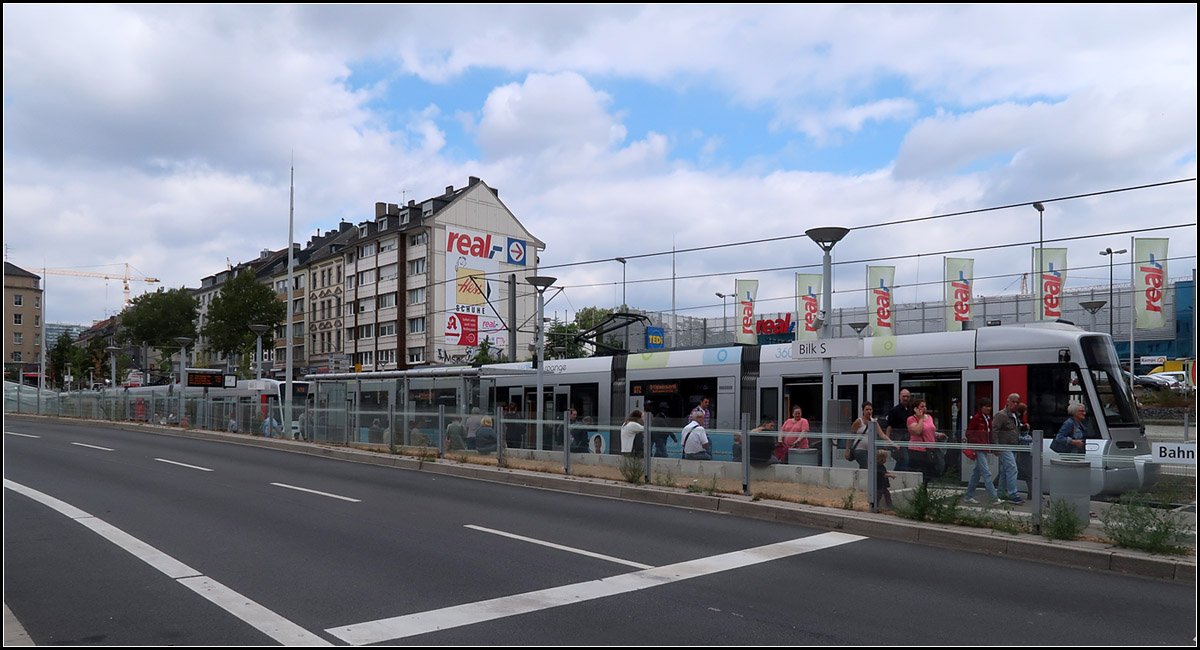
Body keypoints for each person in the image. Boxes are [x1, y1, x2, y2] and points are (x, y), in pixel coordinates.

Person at [963, 398, 999, 504]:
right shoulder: (977, 418)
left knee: (977, 473)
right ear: (981, 407)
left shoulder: (987, 419)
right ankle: (994, 497)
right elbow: (969, 433)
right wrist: (977, 442)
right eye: (986, 406)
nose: (989, 408)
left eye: (989, 406)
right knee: (986, 472)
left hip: (984, 448)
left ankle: (968, 495)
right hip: (979, 448)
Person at [991, 393, 1024, 503]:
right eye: (1013, 401)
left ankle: (1001, 492)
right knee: (1012, 468)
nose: (1015, 404)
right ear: (1007, 402)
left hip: (1013, 445)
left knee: (1005, 470)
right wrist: (996, 447)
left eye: (1017, 402)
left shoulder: (1015, 415)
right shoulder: (1001, 415)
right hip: (1004, 446)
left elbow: (1013, 430)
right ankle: (1012, 494)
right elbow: (994, 431)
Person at [906, 399, 947, 483]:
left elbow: (930, 430)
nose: (924, 408)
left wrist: (937, 436)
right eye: (921, 407)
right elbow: (918, 431)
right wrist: (920, 419)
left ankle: (925, 489)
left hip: (930, 449)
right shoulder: (911, 419)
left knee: (930, 473)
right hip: (917, 450)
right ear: (915, 409)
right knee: (921, 473)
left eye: (925, 406)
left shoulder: (929, 417)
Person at [850, 402, 893, 469]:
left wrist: (892, 443)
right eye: (866, 409)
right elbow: (850, 435)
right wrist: (847, 450)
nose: (868, 411)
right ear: (863, 411)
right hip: (859, 449)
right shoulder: (858, 421)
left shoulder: (874, 422)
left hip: (870, 450)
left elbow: (882, 435)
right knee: (867, 466)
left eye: (870, 409)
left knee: (868, 467)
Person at [885, 389, 913, 472]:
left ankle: (896, 475)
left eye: (907, 397)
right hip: (898, 441)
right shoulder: (894, 411)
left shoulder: (911, 410)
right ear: (899, 397)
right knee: (905, 459)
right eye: (904, 396)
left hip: (909, 440)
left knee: (905, 460)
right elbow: (889, 427)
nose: (905, 398)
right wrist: (887, 442)